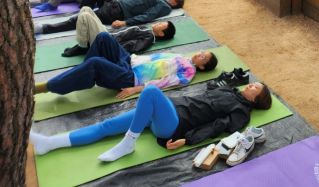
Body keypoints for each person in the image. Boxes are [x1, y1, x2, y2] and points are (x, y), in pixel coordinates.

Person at [30, 82, 272, 163]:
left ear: (257, 99)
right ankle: (50, 142)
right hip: (163, 112)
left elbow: (217, 129)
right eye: (252, 84)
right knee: (107, 125)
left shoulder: (242, 112)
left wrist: (186, 140)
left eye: (255, 89)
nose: (250, 85)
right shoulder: (230, 91)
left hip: (175, 124)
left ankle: (128, 144)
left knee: (151, 90)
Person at [34, 32, 217, 100]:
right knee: (104, 37)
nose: (199, 53)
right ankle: (81, 74)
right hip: (130, 61)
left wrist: (136, 89)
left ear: (202, 67)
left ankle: (48, 86)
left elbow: (166, 82)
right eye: (202, 51)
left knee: (96, 63)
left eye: (203, 56)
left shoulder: (189, 71)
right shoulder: (181, 56)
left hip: (131, 77)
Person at [35, 0, 183, 36]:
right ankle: (86, 11)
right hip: (114, 3)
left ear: (173, 2)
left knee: (81, 18)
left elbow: (148, 16)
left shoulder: (165, 6)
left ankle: (44, 28)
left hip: (117, 12)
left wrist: (125, 22)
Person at [61, 6, 177, 57]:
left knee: (85, 15)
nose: (159, 23)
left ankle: (82, 47)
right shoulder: (147, 30)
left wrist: (106, 50)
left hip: (106, 42)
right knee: (86, 9)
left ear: (161, 33)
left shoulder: (148, 38)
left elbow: (129, 47)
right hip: (108, 34)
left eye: (161, 25)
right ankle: (84, 44)